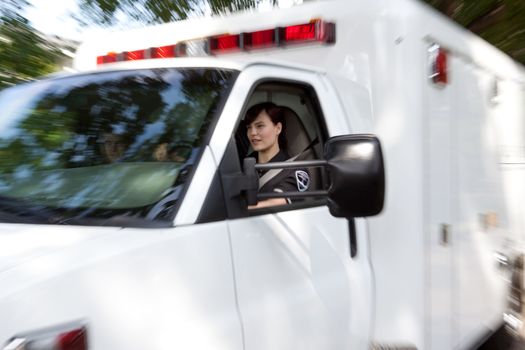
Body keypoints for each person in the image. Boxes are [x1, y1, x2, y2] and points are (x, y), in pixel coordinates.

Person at [245, 102, 310, 209]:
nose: (252, 132)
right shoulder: (242, 163)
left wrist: (237, 212)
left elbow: (277, 203)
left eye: (260, 126)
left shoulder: (295, 169)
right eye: (249, 127)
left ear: (278, 128)